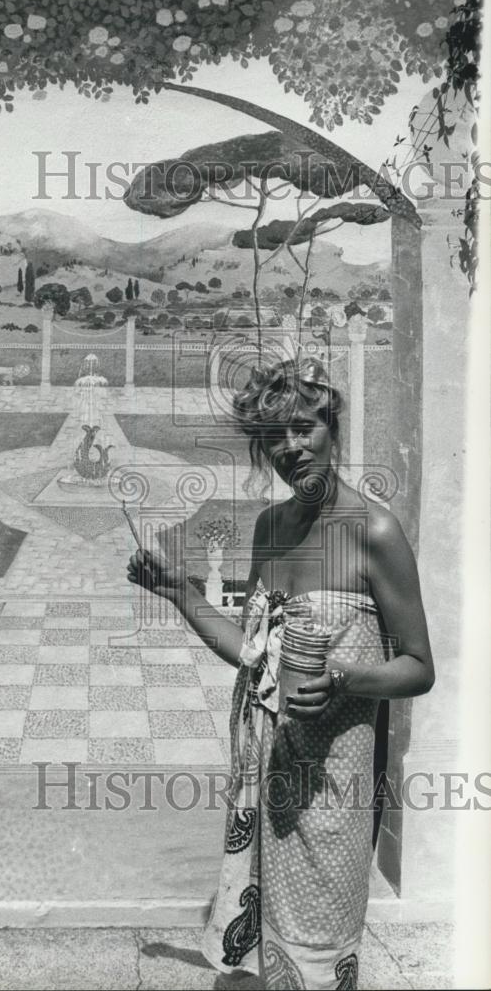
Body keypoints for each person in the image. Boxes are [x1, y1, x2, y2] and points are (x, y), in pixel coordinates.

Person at [126, 357, 434, 991]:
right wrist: (181, 594)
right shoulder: (271, 527)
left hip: (332, 786)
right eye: (273, 437)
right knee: (264, 953)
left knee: (318, 955)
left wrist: (346, 679)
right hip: (262, 773)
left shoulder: (374, 531)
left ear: (331, 426)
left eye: (303, 428)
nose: (289, 448)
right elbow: (253, 654)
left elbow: (418, 667)